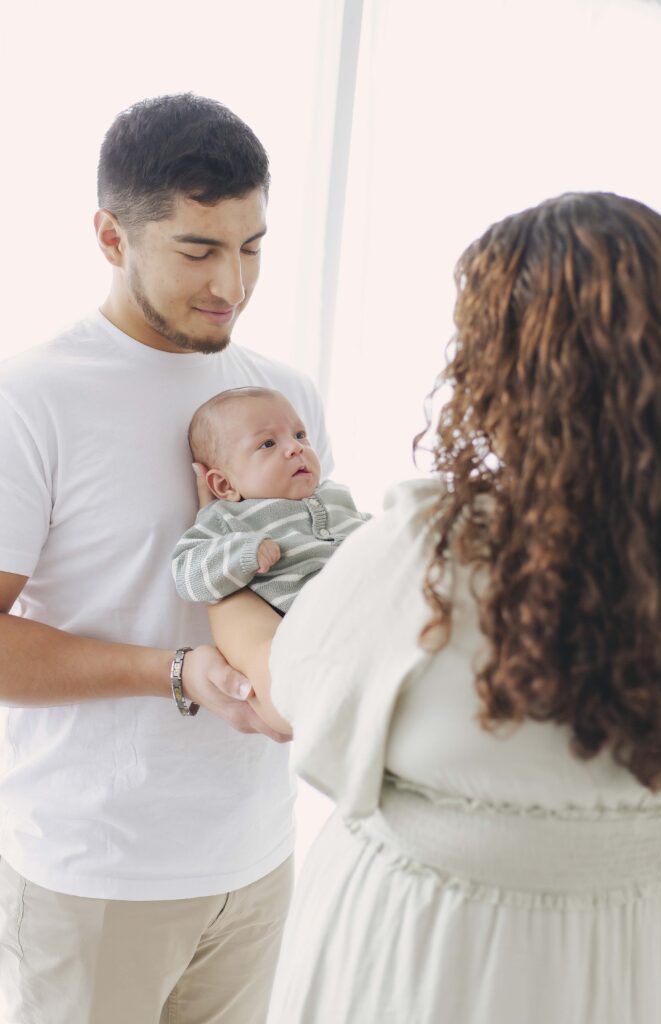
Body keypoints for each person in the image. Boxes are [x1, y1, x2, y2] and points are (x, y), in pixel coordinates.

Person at [209, 192, 661, 1022]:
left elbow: (289, 696)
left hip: (439, 961)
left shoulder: (437, 548)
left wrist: (225, 580)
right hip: (644, 953)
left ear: (498, 368)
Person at [0, 93, 332, 1024]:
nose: (232, 281)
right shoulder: (31, 400)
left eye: (252, 246)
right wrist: (176, 671)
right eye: (197, 250)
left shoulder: (281, 397)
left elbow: (311, 582)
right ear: (111, 236)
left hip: (258, 858)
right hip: (95, 874)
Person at [172, 386, 370, 615]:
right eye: (268, 444)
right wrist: (243, 552)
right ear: (225, 485)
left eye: (299, 435)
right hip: (323, 619)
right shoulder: (228, 517)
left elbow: (372, 531)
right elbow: (187, 576)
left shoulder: (334, 494)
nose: (296, 447)